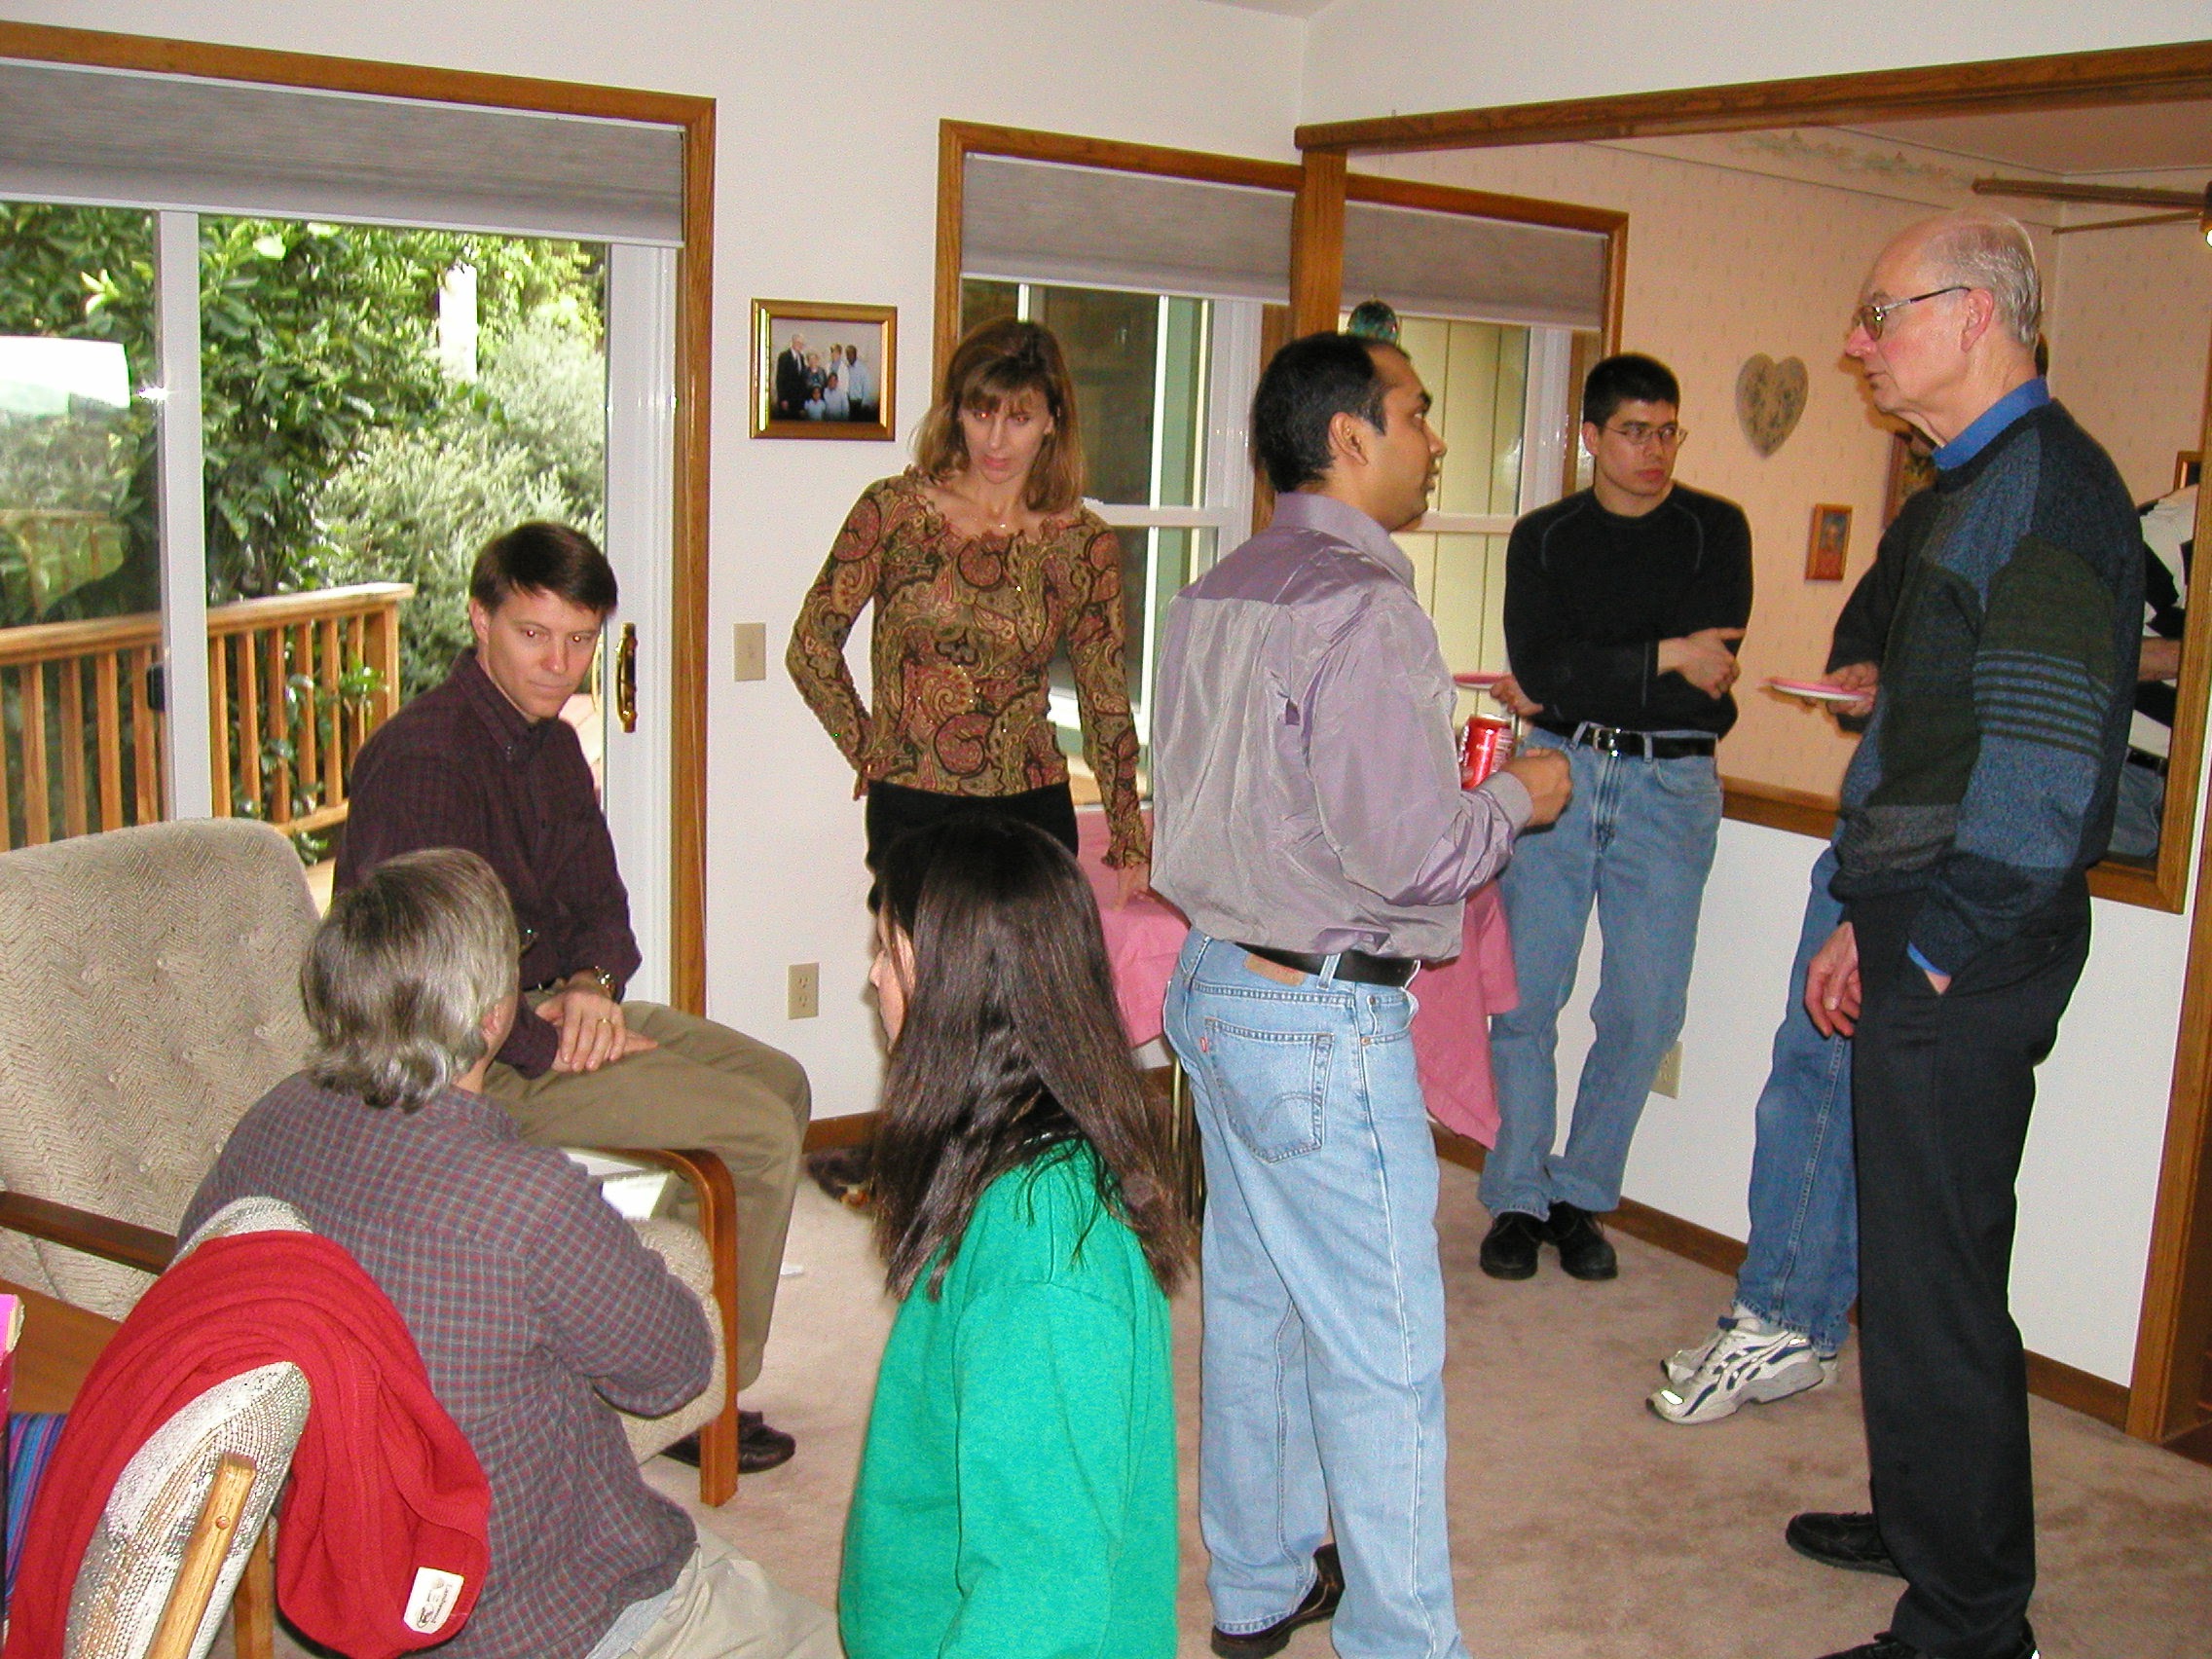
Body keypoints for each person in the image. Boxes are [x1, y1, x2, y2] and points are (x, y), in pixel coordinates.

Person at [1151, 331, 1571, 1659]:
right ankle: (1402, 1641)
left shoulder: (1214, 589)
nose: (1435, 440)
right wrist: (1520, 798)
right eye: (1417, 413)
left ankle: (1260, 1584)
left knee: (1259, 1310)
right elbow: (1413, 854)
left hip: (1217, 986)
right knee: (1384, 1356)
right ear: (1348, 437)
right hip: (1315, 1019)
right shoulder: (1365, 607)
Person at [184, 849, 839, 1659]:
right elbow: (675, 1372)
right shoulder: (526, 1203)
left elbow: (198, 1266)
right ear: (497, 1015)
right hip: (566, 1618)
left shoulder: (272, 1123)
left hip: (347, 1581)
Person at [1791, 211, 2141, 1659]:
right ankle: (1927, 1515)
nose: (1858, 344)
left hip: (1971, 940)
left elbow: (2044, 778)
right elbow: (1938, 738)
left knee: (1935, 1285)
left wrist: (1929, 949)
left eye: (1881, 314)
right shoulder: (1962, 488)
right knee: (1917, 1267)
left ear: (1977, 315)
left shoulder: (2049, 493)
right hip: (1920, 914)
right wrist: (1860, 916)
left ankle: (1970, 1623)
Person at [338, 522, 810, 1474]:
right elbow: (418, 978)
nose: (560, 663)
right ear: (479, 621)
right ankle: (701, 1394)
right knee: (758, 1134)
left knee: (782, 1083)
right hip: (472, 1059)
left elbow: (601, 904)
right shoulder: (425, 760)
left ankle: (659, 1336)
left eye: (581, 639)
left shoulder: (550, 746)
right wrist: (547, 1043)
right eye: (533, 634)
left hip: (555, 1008)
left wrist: (594, 992)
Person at [838, 816, 1189, 1659]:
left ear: (956, 981)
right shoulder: (1002, 1164)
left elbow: (1043, 1592)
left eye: (889, 952)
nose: (874, 979)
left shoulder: (1044, 1259)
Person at [1478, 351, 1753, 1283]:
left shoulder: (1716, 530)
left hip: (1671, 786)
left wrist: (1592, 669)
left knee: (1645, 1009)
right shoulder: (1545, 538)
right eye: (1635, 432)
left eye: (1668, 431)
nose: (1654, 450)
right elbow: (1542, 669)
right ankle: (1517, 1195)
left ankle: (1579, 1193)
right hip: (1560, 770)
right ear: (1592, 437)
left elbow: (1702, 673)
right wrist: (1665, 653)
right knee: (1526, 997)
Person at [1645, 494, 1913, 1424]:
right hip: (1873, 830)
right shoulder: (1935, 519)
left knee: (1817, 1078)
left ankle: (1781, 1319)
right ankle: (1803, 1326)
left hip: (1908, 851)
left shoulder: (2030, 509)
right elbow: (1867, 648)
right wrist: (1872, 679)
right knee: (1821, 1079)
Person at [786, 317, 1148, 892]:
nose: (996, 441)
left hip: (1031, 812)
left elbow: (1103, 696)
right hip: (913, 810)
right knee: (915, 954)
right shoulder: (895, 512)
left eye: (1019, 419)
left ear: (1053, 421)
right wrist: (870, 749)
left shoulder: (1082, 543)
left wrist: (1128, 838)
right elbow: (811, 646)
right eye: (981, 414)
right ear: (955, 412)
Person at [2110, 482, 2193, 862]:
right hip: (2127, 776)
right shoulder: (2180, 528)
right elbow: (2087, 649)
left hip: (2193, 786)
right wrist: (2196, 658)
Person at [775, 331, 811, 419]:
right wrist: (783, 399)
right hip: (787, 399)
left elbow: (801, 379)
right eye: (799, 343)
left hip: (798, 400)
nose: (801, 346)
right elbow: (780, 379)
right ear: (793, 342)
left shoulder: (801, 358)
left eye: (802, 344)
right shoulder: (784, 356)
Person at [842, 343, 875, 424]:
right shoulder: (847, 368)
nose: (849, 357)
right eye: (847, 354)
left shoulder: (862, 369)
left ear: (855, 354)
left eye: (850, 354)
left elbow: (866, 387)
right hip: (849, 402)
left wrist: (865, 403)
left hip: (859, 402)